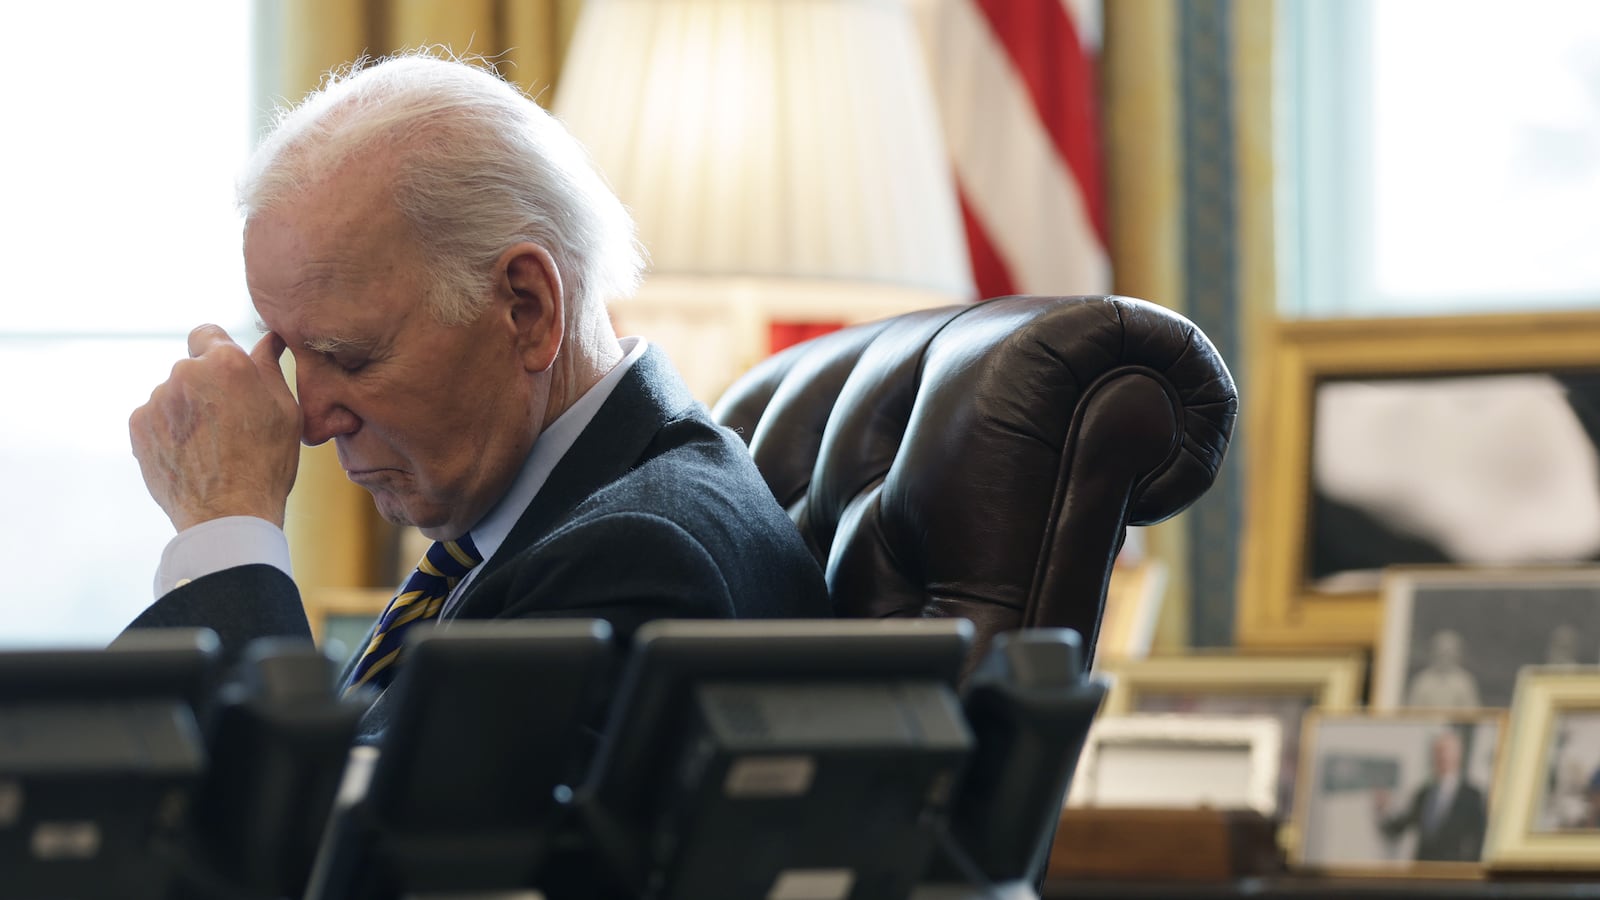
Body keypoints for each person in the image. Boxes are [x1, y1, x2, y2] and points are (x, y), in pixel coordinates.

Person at [122, 53, 832, 738]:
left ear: (526, 309)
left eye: (349, 356)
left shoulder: (640, 557)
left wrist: (227, 529)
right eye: (289, 352)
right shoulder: (541, 521)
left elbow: (314, 852)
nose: (308, 421)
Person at [1374, 729, 1487, 862]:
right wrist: (1384, 809)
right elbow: (1397, 828)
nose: (1443, 756)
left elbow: (1480, 839)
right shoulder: (1423, 793)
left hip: (1453, 872)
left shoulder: (1472, 795)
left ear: (1458, 754)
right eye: (1439, 751)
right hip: (1422, 871)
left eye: (1447, 751)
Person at [1404, 629, 1482, 709]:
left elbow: (1472, 715)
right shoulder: (1421, 681)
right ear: (1433, 653)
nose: (1445, 657)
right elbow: (1412, 714)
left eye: (1449, 652)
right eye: (1441, 652)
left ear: (1457, 654)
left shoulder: (1465, 682)